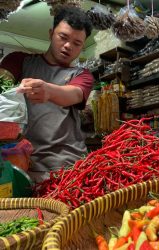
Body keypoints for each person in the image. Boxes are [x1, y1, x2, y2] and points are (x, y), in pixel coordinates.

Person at [0, 7, 94, 182]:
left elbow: (73, 94)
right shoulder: (20, 60)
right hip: (24, 166)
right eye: (63, 37)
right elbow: (3, 80)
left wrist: (49, 91)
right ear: (51, 33)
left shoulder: (82, 75)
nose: (68, 46)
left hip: (68, 167)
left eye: (77, 43)